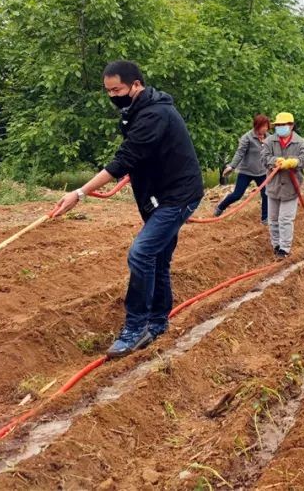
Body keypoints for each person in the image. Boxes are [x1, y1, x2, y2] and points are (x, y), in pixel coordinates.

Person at [51, 61, 204, 357]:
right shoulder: (134, 111)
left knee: (141, 253)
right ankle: (158, 322)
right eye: (108, 91)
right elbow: (141, 155)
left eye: (117, 89)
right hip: (158, 195)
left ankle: (135, 327)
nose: (112, 96)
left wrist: (80, 193)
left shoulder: (154, 114)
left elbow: (124, 160)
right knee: (157, 258)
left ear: (136, 85)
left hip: (178, 195)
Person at [260, 112, 304, 258]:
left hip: (290, 187)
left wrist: (293, 162)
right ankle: (276, 245)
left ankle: (284, 248)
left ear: (291, 126)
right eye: (278, 125)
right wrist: (275, 161)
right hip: (273, 186)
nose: (280, 127)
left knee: (285, 219)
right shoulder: (269, 141)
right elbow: (264, 158)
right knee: (273, 219)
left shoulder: (300, 142)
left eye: (284, 125)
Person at [215, 114, 271, 223]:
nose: (265, 128)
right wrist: (232, 166)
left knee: (266, 194)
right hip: (246, 171)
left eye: (266, 126)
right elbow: (240, 153)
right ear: (256, 126)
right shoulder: (247, 137)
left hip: (262, 172)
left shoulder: (269, 138)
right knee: (237, 195)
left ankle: (265, 218)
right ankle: (220, 207)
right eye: (262, 126)